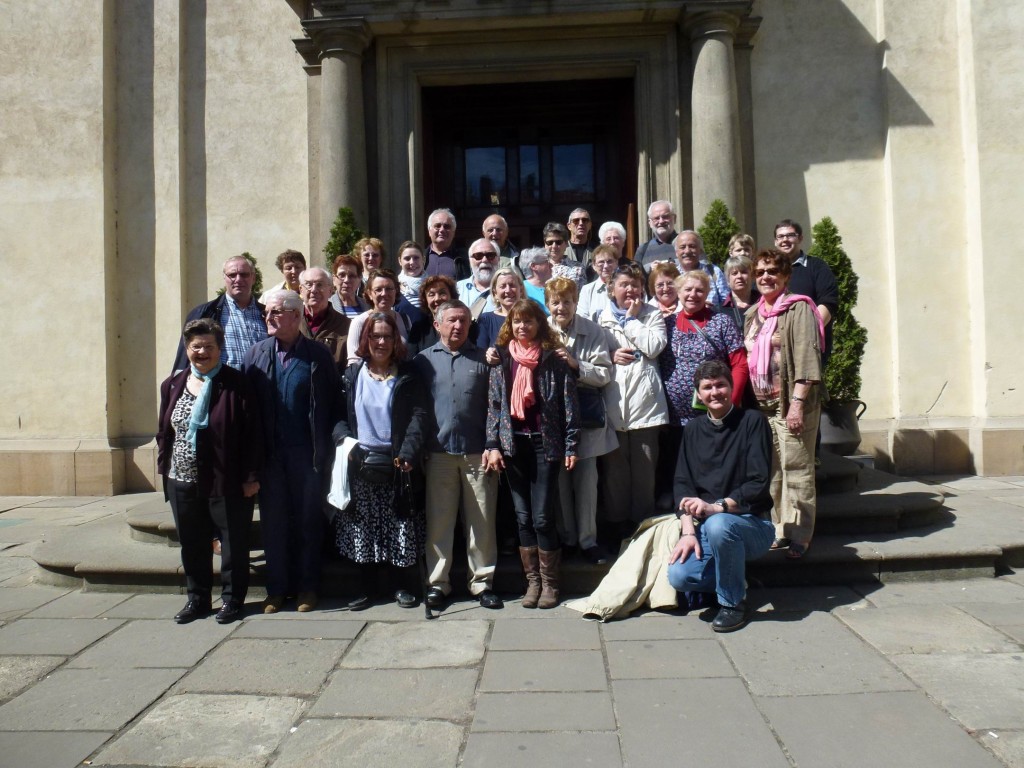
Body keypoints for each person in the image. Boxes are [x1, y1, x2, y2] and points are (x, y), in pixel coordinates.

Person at [243, 289, 343, 614]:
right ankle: (276, 590)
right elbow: (247, 409)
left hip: (307, 455)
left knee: (307, 523)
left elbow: (331, 405)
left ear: (296, 316)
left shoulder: (318, 355)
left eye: (276, 312)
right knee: (273, 524)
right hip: (270, 457)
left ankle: (307, 588)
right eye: (267, 312)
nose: (268, 317)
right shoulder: (256, 354)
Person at [158, 318, 262, 624]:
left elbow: (253, 433)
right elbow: (166, 430)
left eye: (208, 346)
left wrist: (251, 475)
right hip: (182, 478)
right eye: (195, 346)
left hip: (226, 478)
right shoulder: (173, 384)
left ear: (220, 349)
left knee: (232, 542)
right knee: (192, 542)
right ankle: (198, 599)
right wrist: (165, 465)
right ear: (187, 349)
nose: (201, 352)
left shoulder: (237, 383)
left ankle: (232, 599)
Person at [666, 359, 775, 632]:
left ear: (731, 386)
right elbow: (682, 483)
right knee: (680, 577)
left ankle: (733, 603)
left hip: (752, 524)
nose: (715, 393)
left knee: (718, 523)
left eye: (720, 385)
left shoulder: (753, 422)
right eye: (707, 387)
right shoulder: (692, 430)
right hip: (706, 528)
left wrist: (717, 507)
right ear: (698, 394)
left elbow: (759, 482)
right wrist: (688, 530)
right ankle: (734, 577)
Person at [485, 299, 580, 609]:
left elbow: (569, 404)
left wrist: (571, 445)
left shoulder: (553, 359)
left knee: (541, 517)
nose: (522, 327)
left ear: (539, 324)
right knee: (523, 517)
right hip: (513, 445)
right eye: (516, 322)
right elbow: (495, 405)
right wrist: (494, 444)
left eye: (528, 321)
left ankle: (551, 584)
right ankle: (533, 583)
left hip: (544, 444)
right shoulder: (500, 358)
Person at [334, 311, 428, 609]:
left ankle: (402, 586)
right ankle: (368, 588)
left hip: (398, 463)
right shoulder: (352, 375)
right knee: (364, 527)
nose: (382, 341)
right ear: (366, 339)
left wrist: (408, 452)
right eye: (375, 336)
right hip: (361, 462)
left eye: (388, 336)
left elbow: (419, 416)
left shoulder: (409, 373)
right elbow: (337, 418)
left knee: (399, 524)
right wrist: (347, 445)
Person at [415, 300, 502, 609]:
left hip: (478, 453)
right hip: (438, 453)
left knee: (481, 523)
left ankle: (482, 583)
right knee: (440, 523)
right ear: (438, 324)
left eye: (463, 321)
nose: (458, 326)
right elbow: (418, 410)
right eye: (451, 320)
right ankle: (438, 583)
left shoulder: (484, 360)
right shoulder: (423, 361)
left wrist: (493, 444)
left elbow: (496, 407)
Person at [743, 248, 825, 560]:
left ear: (786, 276)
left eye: (772, 272)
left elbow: (806, 357)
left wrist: (797, 404)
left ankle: (801, 533)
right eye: (760, 272)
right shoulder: (754, 314)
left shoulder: (798, 309)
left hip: (790, 402)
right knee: (774, 472)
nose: (765, 277)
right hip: (762, 406)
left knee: (797, 468)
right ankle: (779, 528)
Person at [546, 278, 617, 565]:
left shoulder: (593, 331)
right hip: (553, 418)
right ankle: (567, 539)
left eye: (567, 301)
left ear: (576, 302)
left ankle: (588, 541)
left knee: (587, 482)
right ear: (548, 304)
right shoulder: (542, 331)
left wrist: (577, 365)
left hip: (585, 417)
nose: (561, 307)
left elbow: (604, 374)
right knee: (559, 483)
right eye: (555, 302)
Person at [659, 270, 748, 496]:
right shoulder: (665, 324)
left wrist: (731, 401)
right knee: (678, 465)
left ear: (708, 293)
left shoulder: (721, 322)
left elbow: (739, 364)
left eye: (699, 290)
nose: (693, 294)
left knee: (710, 464)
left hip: (711, 413)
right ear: (678, 292)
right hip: (674, 417)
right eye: (687, 289)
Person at [597, 264, 669, 538]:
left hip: (645, 406)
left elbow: (653, 346)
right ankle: (617, 529)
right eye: (624, 284)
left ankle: (643, 530)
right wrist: (610, 356)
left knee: (644, 474)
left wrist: (631, 321)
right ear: (612, 289)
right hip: (614, 405)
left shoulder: (652, 315)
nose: (630, 289)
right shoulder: (600, 318)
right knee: (615, 475)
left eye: (635, 284)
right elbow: (594, 355)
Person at [171, 255, 267, 373]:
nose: (238, 279)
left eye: (244, 274)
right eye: (232, 275)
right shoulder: (204, 313)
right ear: (224, 278)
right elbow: (186, 355)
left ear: (253, 277)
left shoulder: (268, 315)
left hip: (261, 388)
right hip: (223, 389)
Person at [773, 219, 838, 372]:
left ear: (800, 238)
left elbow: (828, 303)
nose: (785, 240)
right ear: (775, 241)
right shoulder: (769, 272)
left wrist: (803, 334)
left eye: (790, 235)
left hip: (808, 346)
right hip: (774, 348)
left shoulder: (817, 267)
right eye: (780, 237)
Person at [346, 268, 414, 363]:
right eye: (378, 289)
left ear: (396, 291)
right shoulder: (359, 322)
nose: (384, 294)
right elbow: (354, 361)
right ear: (369, 294)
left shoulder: (405, 320)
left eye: (389, 289)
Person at [299, 267, 350, 370]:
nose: (314, 290)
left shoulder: (346, 325)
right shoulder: (291, 321)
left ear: (330, 290)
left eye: (320, 285)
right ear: (301, 290)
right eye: (309, 284)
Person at [406, 274, 459, 356]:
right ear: (425, 300)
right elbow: (409, 360)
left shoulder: (463, 325)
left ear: (452, 296)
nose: (437, 298)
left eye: (442, 293)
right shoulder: (419, 329)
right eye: (431, 294)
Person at [674, 231, 729, 306]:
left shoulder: (713, 271)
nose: (687, 251)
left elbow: (726, 302)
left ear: (700, 250)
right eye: (682, 247)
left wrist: (713, 309)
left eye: (692, 246)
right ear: (676, 252)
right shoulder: (672, 275)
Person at [476, 267, 525, 351]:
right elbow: (480, 353)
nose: (508, 290)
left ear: (521, 290)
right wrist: (489, 354)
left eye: (512, 285)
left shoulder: (533, 317)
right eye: (503, 286)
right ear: (495, 293)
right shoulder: (486, 320)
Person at [456, 238, 500, 316]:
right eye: (478, 256)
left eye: (490, 255)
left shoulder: (508, 290)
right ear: (470, 261)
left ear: (498, 259)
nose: (484, 260)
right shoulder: (457, 289)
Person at [577, 244, 619, 321]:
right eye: (601, 262)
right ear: (594, 266)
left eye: (609, 261)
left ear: (616, 263)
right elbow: (582, 319)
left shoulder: (626, 287)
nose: (606, 266)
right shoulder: (587, 290)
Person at [425, 208, 470, 280]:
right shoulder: (419, 258)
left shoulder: (465, 259)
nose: (442, 230)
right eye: (437, 226)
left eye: (447, 226)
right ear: (429, 231)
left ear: (453, 232)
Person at [720, 253, 759, 333]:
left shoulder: (765, 303)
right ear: (727, 280)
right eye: (734, 273)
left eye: (744, 272)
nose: (739, 276)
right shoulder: (719, 311)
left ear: (752, 276)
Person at [635, 200, 678, 271]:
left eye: (665, 216)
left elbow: (700, 271)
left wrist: (678, 269)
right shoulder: (642, 250)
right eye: (656, 218)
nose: (661, 221)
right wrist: (650, 271)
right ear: (650, 223)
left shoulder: (687, 244)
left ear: (674, 218)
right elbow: (636, 279)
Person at [543, 222, 585, 288]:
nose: (554, 246)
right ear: (545, 244)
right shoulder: (537, 267)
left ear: (566, 244)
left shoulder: (577, 268)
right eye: (550, 242)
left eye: (558, 242)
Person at [329, 253, 369, 318]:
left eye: (352, 276)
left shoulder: (368, 307)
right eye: (342, 275)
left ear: (359, 280)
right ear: (334, 280)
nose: (346, 280)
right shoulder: (326, 306)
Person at [519, 247, 552, 313]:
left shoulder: (553, 286)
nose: (551, 265)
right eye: (547, 262)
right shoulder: (521, 289)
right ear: (534, 266)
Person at [396, 240, 427, 309]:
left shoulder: (433, 285)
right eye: (407, 258)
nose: (412, 262)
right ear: (400, 261)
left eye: (416, 258)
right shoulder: (394, 287)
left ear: (423, 260)